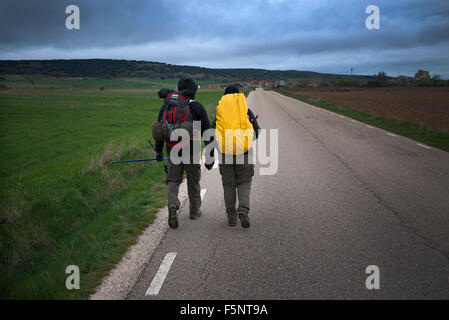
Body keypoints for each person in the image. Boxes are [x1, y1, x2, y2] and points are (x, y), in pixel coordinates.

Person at [155, 78, 210, 228]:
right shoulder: (197, 107)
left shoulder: (167, 107)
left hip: (172, 149)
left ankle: (173, 205)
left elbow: (160, 130)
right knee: (193, 181)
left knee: (173, 180)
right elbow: (206, 132)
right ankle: (194, 211)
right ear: (193, 91)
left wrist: (158, 152)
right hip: (192, 149)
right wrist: (210, 156)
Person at [205, 86, 260, 228]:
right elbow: (257, 132)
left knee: (229, 185)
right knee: (244, 182)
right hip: (245, 153)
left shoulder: (220, 112)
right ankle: (243, 209)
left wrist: (209, 158)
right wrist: (245, 141)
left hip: (225, 154)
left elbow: (210, 136)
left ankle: (231, 215)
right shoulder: (246, 111)